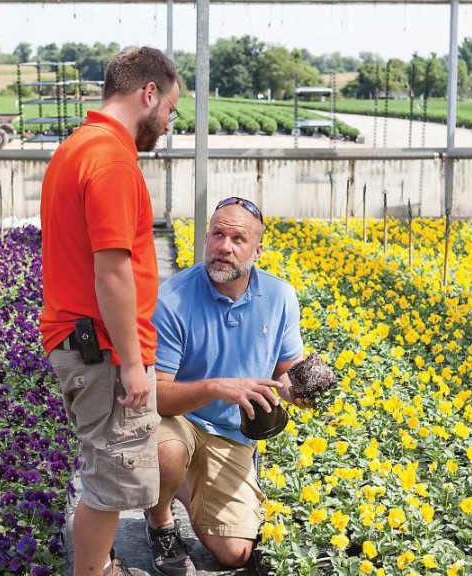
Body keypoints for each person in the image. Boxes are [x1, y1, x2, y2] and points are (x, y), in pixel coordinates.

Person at [39, 46, 180, 576]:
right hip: (102, 349)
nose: (168, 121)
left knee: (105, 474)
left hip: (82, 341)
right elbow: (113, 270)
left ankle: (101, 567)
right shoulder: (112, 158)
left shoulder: (76, 147)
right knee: (108, 483)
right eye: (169, 108)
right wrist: (133, 362)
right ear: (148, 93)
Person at [146, 197, 308, 576]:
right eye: (218, 234)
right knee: (166, 452)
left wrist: (293, 389)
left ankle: (183, 487)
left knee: (234, 553)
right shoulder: (173, 299)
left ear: (258, 249)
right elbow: (155, 395)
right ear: (206, 239)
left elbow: (288, 368)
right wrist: (217, 387)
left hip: (232, 434)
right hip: (178, 420)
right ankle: (159, 520)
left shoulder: (280, 296)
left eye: (238, 238)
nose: (225, 247)